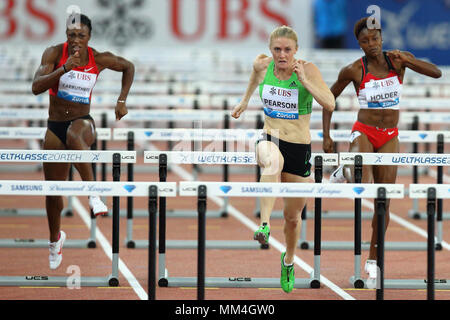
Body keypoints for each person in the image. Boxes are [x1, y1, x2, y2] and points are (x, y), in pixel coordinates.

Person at [322, 17, 442, 282]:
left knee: (383, 201)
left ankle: (374, 257)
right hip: (364, 131)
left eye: (374, 39)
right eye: (365, 41)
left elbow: (437, 72)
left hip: (389, 135)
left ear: (382, 38)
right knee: (360, 177)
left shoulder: (399, 60)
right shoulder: (354, 69)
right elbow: (328, 99)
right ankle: (346, 167)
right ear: (359, 44)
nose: (371, 45)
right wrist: (327, 136)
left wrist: (408, 61)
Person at [231, 25, 335, 293]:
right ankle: (264, 225)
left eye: (287, 50)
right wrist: (244, 101)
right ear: (270, 50)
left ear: (296, 50)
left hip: (299, 148)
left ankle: (288, 260)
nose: (282, 54)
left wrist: (305, 82)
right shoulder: (263, 65)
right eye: (277, 49)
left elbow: (330, 103)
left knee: (292, 218)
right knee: (271, 162)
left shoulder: (308, 69)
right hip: (271, 136)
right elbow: (254, 77)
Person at [31, 13, 135, 270]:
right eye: (71, 35)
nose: (76, 40)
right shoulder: (54, 54)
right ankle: (55, 240)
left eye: (81, 36)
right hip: (54, 126)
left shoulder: (98, 58)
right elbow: (36, 87)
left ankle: (93, 194)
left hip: (83, 122)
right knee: (53, 193)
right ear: (66, 36)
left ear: (89, 37)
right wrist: (64, 68)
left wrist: (122, 100)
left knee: (75, 135)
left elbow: (128, 66)